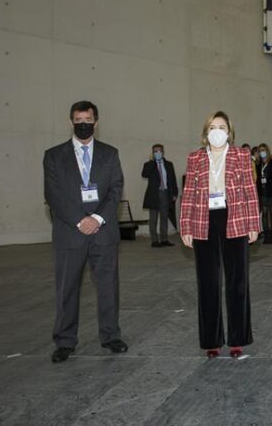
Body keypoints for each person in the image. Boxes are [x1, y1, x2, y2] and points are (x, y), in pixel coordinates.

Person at [43, 101, 128, 363]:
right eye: (78, 120)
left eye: (88, 120)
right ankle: (65, 341)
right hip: (70, 233)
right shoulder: (53, 156)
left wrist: (97, 218)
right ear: (71, 122)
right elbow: (53, 195)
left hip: (103, 232)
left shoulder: (110, 154)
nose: (83, 124)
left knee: (108, 287)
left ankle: (110, 335)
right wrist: (80, 221)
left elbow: (116, 189)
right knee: (67, 288)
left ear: (96, 122)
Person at [180, 111, 260, 358]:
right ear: (206, 133)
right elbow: (188, 193)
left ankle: (238, 339)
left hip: (234, 219)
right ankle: (211, 341)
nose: (217, 131)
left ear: (229, 132)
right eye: (212, 127)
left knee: (237, 282)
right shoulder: (195, 158)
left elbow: (250, 190)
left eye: (222, 127)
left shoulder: (241, 155)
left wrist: (254, 224)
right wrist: (185, 227)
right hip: (204, 221)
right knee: (208, 283)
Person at [141, 144, 178, 247]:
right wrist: (153, 162)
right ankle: (154, 241)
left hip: (165, 193)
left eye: (160, 151)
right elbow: (144, 174)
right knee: (153, 218)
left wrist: (175, 193)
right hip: (154, 194)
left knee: (164, 217)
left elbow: (173, 179)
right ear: (152, 153)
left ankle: (164, 239)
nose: (158, 153)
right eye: (155, 151)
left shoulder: (169, 164)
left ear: (163, 152)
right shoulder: (148, 164)